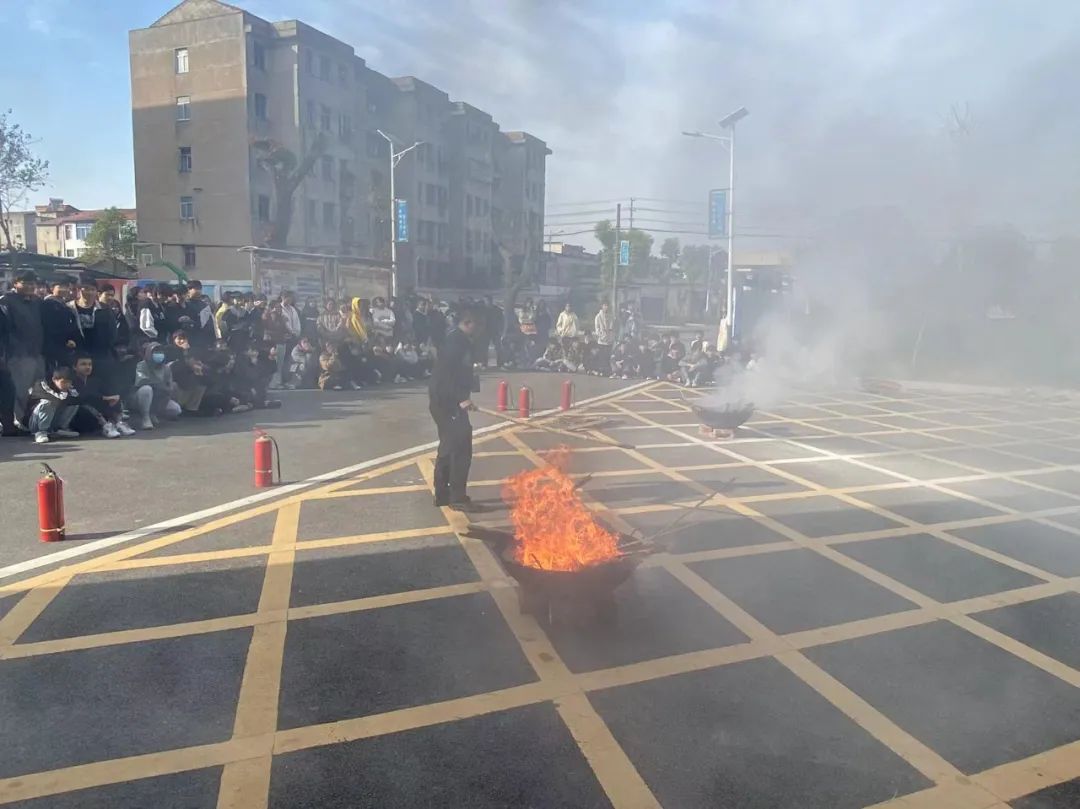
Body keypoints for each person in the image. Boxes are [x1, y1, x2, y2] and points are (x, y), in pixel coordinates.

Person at [429, 309, 479, 511]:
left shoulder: (458, 340)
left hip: (446, 402)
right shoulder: (457, 343)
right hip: (448, 403)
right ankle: (457, 498)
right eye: (476, 324)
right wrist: (460, 398)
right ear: (467, 322)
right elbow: (446, 375)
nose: (478, 328)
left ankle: (442, 494)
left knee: (448, 446)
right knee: (460, 448)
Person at [0, 271, 46, 430]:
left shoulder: (37, 301)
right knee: (19, 391)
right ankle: (15, 421)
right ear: (15, 283)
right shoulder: (6, 301)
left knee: (38, 390)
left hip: (37, 353)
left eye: (32, 283)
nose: (30, 286)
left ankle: (32, 421)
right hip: (18, 354)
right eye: (25, 283)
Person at [69, 353, 133, 438]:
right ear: (74, 367)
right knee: (88, 402)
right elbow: (80, 398)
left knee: (113, 398)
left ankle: (118, 423)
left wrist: (112, 398)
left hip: (98, 415)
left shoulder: (96, 381)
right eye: (83, 364)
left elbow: (108, 394)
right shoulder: (70, 381)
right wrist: (103, 398)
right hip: (80, 416)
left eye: (90, 364)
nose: (87, 367)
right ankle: (105, 425)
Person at [131, 342, 181, 429]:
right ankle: (145, 417)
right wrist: (159, 385)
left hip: (159, 397)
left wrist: (168, 389)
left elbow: (169, 385)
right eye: (155, 352)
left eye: (160, 352)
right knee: (146, 389)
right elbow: (141, 381)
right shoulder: (142, 365)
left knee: (175, 409)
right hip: (140, 396)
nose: (159, 354)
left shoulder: (166, 368)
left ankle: (153, 413)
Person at [27, 366, 81, 444]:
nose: (67, 385)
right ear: (54, 379)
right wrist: (65, 393)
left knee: (74, 404)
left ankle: (59, 429)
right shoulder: (41, 385)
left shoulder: (69, 388)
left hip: (52, 420)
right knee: (47, 403)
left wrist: (68, 393)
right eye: (64, 382)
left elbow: (76, 399)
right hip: (35, 421)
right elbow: (55, 399)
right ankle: (41, 432)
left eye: (69, 382)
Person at [41, 278, 79, 374]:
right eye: (60, 287)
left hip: (64, 347)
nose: (64, 289)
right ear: (52, 288)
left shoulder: (65, 305)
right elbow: (49, 326)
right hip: (52, 346)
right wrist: (64, 340)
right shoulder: (47, 304)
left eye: (66, 287)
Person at [594, 301, 616, 371]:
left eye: (607, 305)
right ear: (602, 306)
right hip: (602, 341)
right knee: (602, 356)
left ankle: (607, 370)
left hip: (609, 340)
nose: (606, 307)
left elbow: (612, 328)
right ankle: (601, 370)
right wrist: (601, 336)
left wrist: (611, 336)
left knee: (607, 356)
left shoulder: (610, 316)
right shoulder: (598, 316)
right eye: (605, 305)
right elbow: (597, 328)